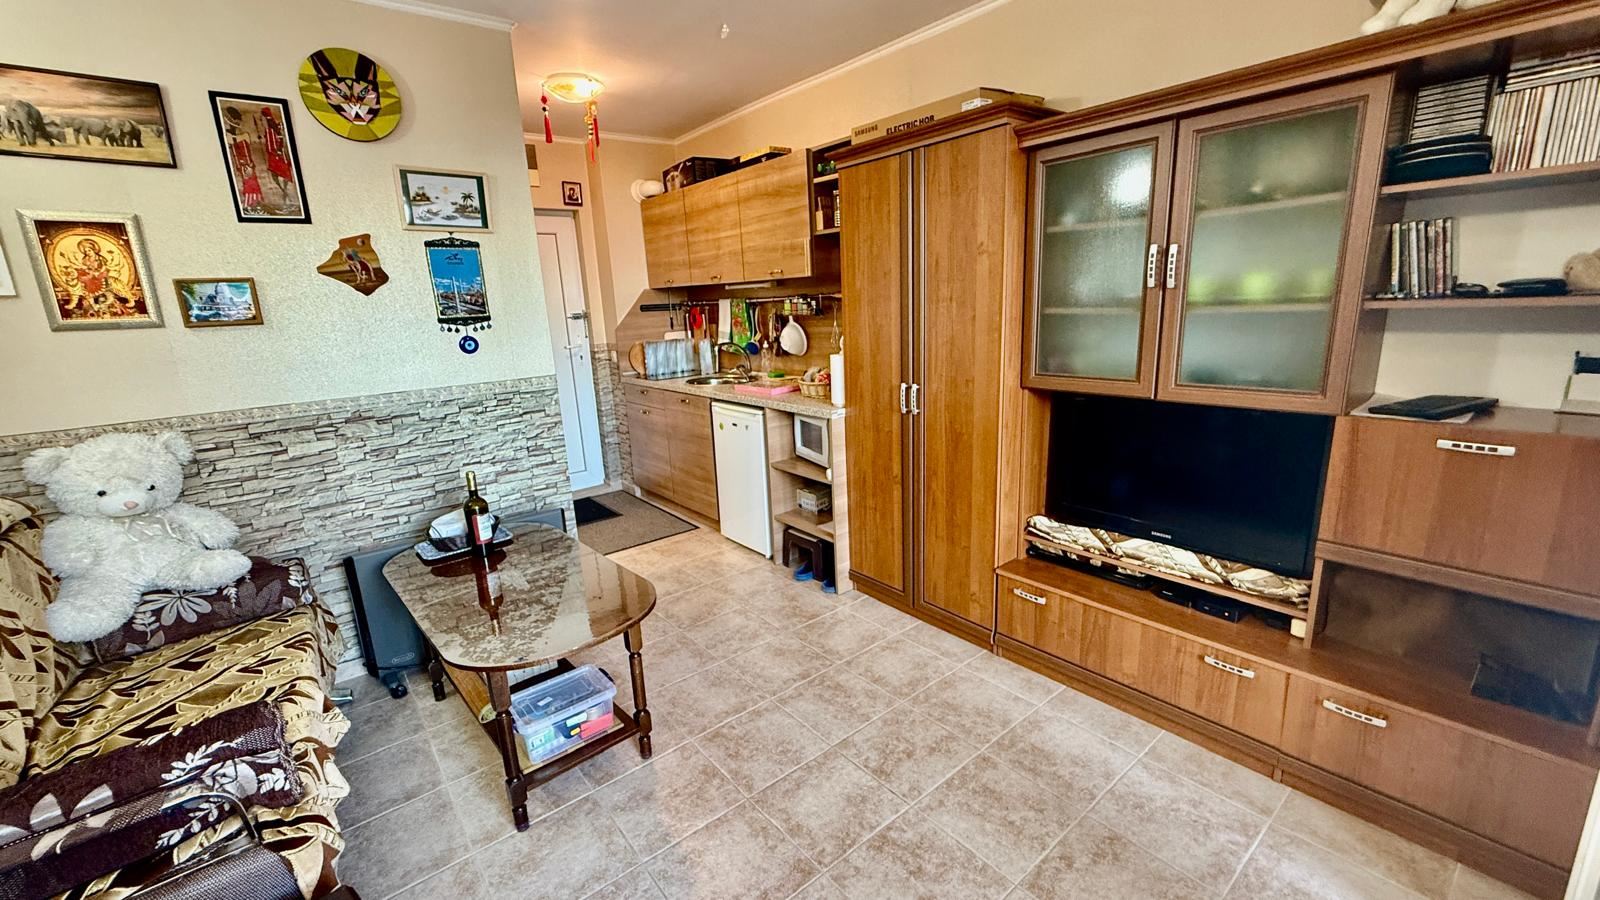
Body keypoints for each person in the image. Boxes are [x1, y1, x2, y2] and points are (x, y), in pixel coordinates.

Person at [259, 107, 296, 208]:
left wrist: (277, 151)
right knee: (276, 175)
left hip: (277, 156)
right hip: (274, 156)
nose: (261, 121)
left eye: (262, 119)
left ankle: (287, 198)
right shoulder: (269, 130)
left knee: (282, 175)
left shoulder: (271, 130)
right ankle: (285, 196)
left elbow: (276, 142)